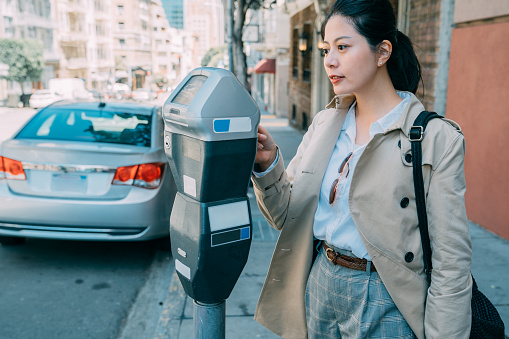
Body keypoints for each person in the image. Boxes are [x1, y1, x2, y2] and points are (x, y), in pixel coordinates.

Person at [251, 0, 472, 338]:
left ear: (382, 52)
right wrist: (267, 167)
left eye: (343, 47)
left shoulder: (433, 138)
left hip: (386, 296)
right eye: (327, 49)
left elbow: (451, 262)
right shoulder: (326, 123)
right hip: (319, 281)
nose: (330, 61)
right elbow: (286, 216)